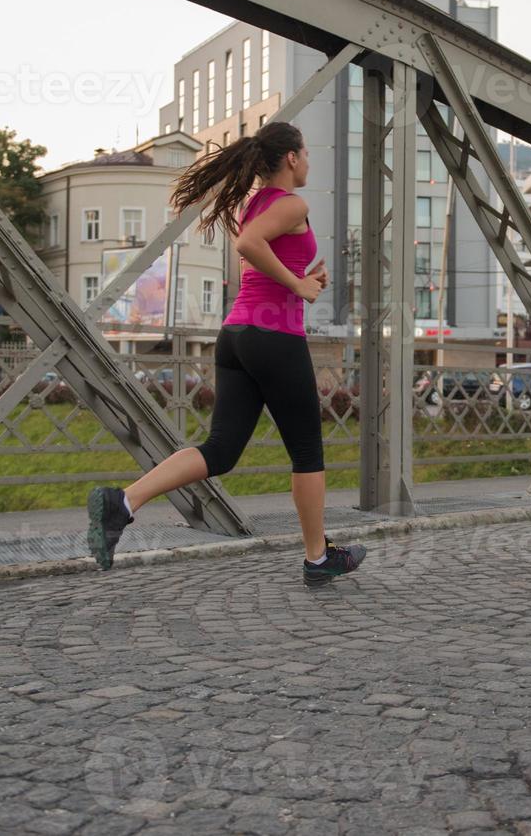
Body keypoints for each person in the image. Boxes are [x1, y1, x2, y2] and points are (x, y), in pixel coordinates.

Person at [86, 122, 365, 586]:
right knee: (307, 452)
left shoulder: (253, 203)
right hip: (274, 338)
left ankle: (123, 503)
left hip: (237, 335)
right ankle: (318, 558)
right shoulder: (293, 203)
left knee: (220, 450)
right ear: (291, 158)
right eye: (307, 153)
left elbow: (258, 259)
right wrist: (297, 284)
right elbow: (249, 245)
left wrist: (303, 281)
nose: (310, 162)